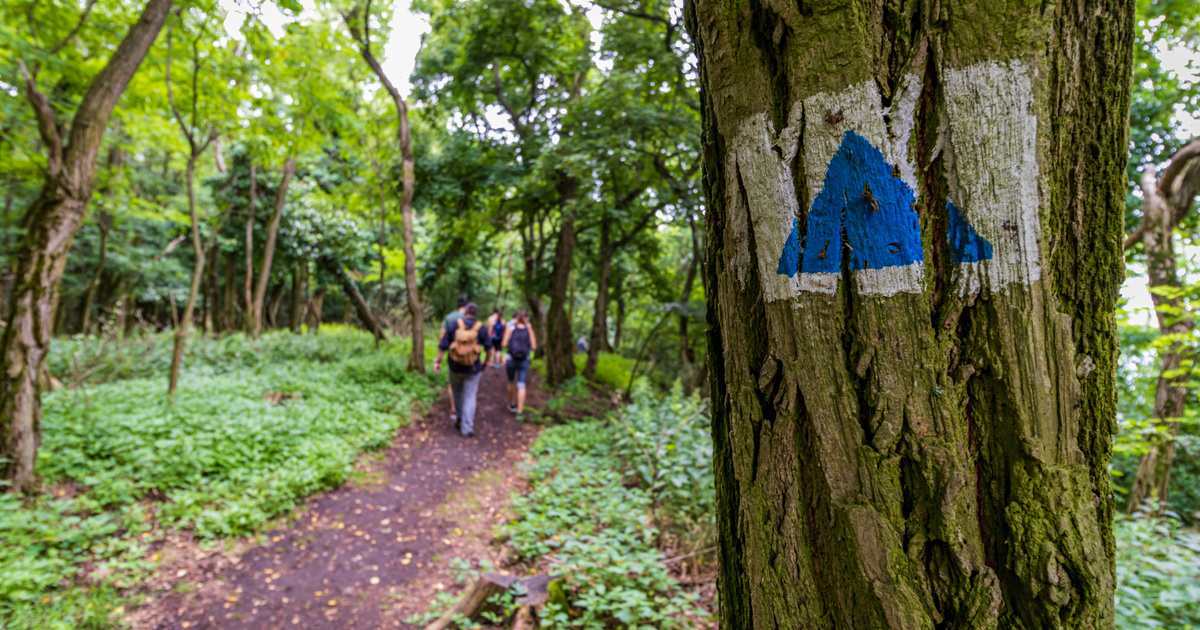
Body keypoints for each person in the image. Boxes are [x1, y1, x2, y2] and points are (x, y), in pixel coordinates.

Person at [434, 302, 492, 437]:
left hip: (454, 367)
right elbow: (489, 348)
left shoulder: (454, 324)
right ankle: (467, 428)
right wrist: (486, 361)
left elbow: (443, 345)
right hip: (473, 368)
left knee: (457, 392)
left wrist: (437, 361)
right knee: (471, 395)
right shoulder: (480, 328)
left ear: (464, 311)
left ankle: (459, 418)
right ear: (476, 313)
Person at [502, 309, 537, 421]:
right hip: (524, 360)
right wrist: (530, 329)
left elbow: (504, 343)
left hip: (511, 359)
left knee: (511, 380)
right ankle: (520, 411)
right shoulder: (528, 329)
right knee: (521, 384)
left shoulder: (511, 327)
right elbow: (534, 346)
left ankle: (512, 403)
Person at [440, 298, 467, 421]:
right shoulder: (469, 318)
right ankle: (465, 409)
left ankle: (454, 409)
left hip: (452, 354)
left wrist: (440, 353)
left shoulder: (449, 317)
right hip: (468, 356)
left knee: (453, 383)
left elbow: (442, 336)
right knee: (467, 382)